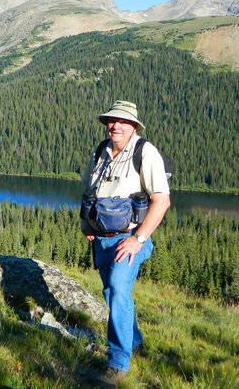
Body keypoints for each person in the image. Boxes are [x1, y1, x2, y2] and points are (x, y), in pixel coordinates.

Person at [80, 100, 170, 388]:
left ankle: (117, 365)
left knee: (119, 288)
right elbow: (89, 191)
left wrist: (137, 239)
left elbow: (162, 201)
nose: (115, 125)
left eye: (122, 121)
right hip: (102, 239)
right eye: (111, 121)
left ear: (133, 126)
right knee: (111, 292)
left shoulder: (145, 152)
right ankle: (134, 340)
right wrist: (86, 222)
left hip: (130, 239)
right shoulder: (100, 152)